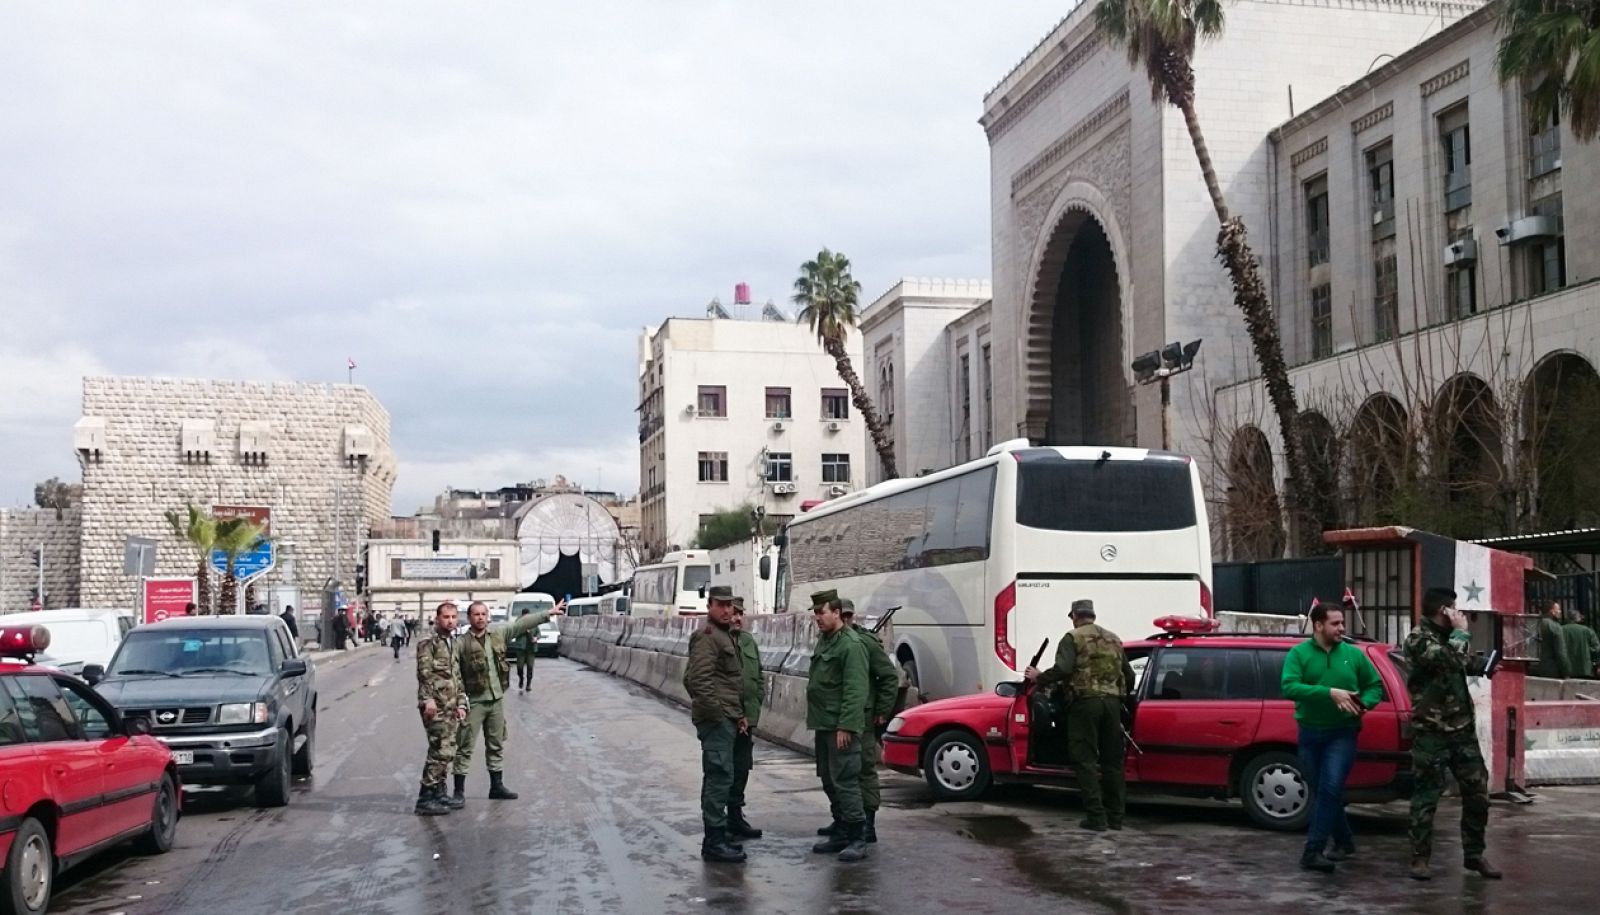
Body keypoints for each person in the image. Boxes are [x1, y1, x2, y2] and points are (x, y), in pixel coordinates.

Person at [1281, 600, 1385, 872]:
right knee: (1323, 790)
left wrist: (1364, 704)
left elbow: (1374, 686)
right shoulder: (1299, 654)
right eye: (1335, 623)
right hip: (1310, 733)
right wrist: (1329, 692)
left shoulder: (1354, 654)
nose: (1342, 628)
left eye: (1342, 622)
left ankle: (1312, 851)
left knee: (1329, 789)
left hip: (1343, 733)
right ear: (1318, 625)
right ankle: (1344, 841)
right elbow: (1290, 687)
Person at [1404, 587, 1500, 880]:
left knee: (1477, 794)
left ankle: (1474, 855)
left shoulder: (1449, 639)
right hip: (1432, 732)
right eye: (1454, 608)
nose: (1459, 614)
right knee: (1426, 797)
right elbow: (1445, 659)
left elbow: (1458, 662)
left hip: (1462, 731)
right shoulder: (1419, 639)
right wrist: (1461, 632)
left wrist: (1483, 664)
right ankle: (1420, 859)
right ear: (1444, 610)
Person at [1025, 599, 1135, 832]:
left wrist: (1039, 677)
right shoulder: (1114, 638)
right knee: (1112, 762)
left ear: (1075, 615)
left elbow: (1064, 669)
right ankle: (1116, 817)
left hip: (1085, 704)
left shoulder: (1072, 637)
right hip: (1112, 705)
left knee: (1084, 759)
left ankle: (1096, 818)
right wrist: (1118, 697)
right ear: (1092, 615)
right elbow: (1129, 674)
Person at [451, 599, 565, 805]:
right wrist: (459, 702)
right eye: (476, 614)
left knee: (496, 744)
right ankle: (459, 791)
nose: (480, 618)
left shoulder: (498, 634)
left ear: (488, 616)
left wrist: (548, 613)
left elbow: (520, 624)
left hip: (495, 700)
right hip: (474, 702)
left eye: (483, 614)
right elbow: (455, 675)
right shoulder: (461, 644)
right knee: (465, 746)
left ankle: (497, 785)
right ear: (469, 618)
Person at [684, 585, 748, 863]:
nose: (726, 610)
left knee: (722, 775)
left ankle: (718, 837)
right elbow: (696, 680)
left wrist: (737, 713)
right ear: (709, 606)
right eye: (720, 605)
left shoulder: (724, 636)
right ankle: (714, 840)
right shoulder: (708, 637)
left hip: (727, 716)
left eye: (729, 605)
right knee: (718, 776)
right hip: (717, 720)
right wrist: (717, 714)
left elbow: (728, 683)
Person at [807, 589, 871, 862]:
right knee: (829, 778)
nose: (817, 618)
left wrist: (846, 726)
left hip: (839, 726)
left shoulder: (851, 645)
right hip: (823, 723)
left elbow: (856, 691)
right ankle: (841, 829)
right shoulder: (826, 641)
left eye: (821, 612)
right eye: (815, 613)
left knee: (845, 781)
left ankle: (857, 836)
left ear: (836, 612)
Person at [833, 599, 900, 845]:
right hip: (842, 716)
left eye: (850, 616)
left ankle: (867, 823)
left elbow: (889, 677)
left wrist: (882, 710)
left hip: (864, 717)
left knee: (864, 771)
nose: (847, 621)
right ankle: (844, 820)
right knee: (840, 773)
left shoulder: (865, 643)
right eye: (844, 616)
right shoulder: (835, 642)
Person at [414, 601, 468, 816]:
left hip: (450, 705)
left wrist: (461, 703)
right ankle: (425, 796)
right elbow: (424, 673)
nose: (450, 621)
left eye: (454, 617)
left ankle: (439, 791)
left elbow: (456, 676)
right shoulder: (429, 642)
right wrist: (428, 700)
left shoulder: (452, 642)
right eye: (446, 617)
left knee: (449, 749)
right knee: (440, 750)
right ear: (437, 619)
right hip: (434, 706)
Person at [726, 597, 765, 843]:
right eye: (734, 613)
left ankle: (735, 816)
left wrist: (755, 704)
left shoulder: (748, 641)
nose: (738, 618)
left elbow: (758, 676)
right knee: (723, 770)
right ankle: (720, 825)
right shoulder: (716, 641)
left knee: (741, 768)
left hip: (746, 721)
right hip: (725, 720)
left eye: (741, 613)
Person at [1533, 599, 1571, 679]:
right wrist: (1566, 671)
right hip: (1552, 669)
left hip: (1535, 667)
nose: (1560, 612)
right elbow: (1561, 651)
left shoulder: (1535, 623)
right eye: (1558, 609)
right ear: (1552, 611)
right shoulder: (1555, 627)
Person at [1562, 607, 1599, 680]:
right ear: (1578, 618)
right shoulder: (1588, 631)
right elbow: (1596, 649)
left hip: (1567, 670)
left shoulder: (1561, 630)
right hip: (1585, 669)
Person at [509, 609, 537, 692]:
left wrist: (536, 637)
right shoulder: (518, 623)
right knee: (520, 667)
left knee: (530, 667)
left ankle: (528, 684)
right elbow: (514, 632)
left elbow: (538, 633)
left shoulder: (534, 623)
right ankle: (521, 678)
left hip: (531, 649)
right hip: (521, 649)